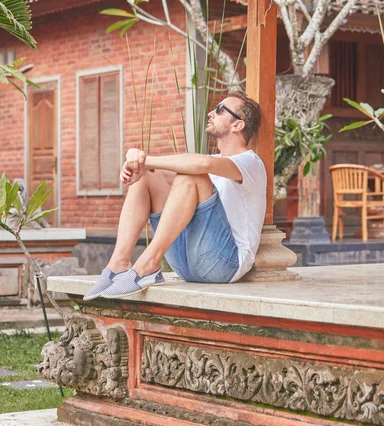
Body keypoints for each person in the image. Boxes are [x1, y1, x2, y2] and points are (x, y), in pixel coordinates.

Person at [83, 92, 266, 301]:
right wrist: (139, 163)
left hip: (223, 264)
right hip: (185, 262)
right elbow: (180, 166)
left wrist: (146, 159)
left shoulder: (250, 163)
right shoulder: (212, 160)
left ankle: (147, 264)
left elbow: (201, 165)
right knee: (146, 177)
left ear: (237, 125)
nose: (210, 113)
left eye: (220, 110)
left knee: (191, 177)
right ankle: (118, 264)